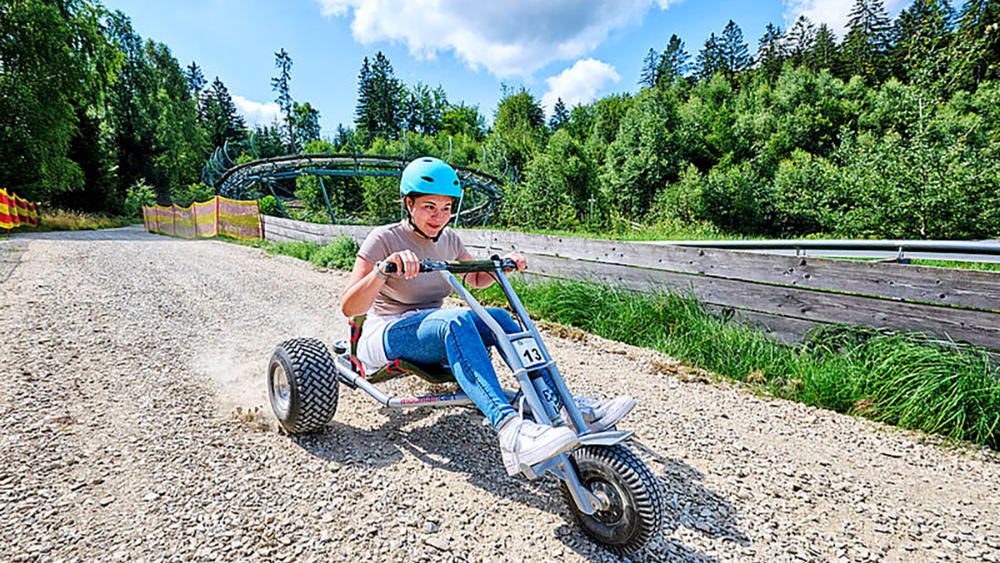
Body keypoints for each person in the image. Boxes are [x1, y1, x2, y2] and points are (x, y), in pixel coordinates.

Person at [340, 156, 635, 475]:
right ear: (408, 203)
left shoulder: (449, 240)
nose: (439, 217)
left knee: (499, 318)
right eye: (429, 206)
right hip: (386, 333)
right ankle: (511, 431)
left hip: (433, 329)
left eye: (446, 208)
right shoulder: (384, 238)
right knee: (454, 320)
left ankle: (560, 405)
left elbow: (476, 278)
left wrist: (500, 264)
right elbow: (350, 307)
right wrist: (382, 271)